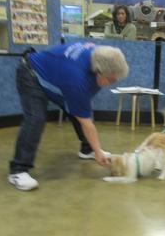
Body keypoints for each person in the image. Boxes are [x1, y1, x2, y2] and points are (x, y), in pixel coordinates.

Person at [8, 42, 129, 190]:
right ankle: (18, 170)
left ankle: (87, 149)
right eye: (111, 79)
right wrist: (98, 151)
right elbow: (85, 121)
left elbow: (82, 107)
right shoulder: (76, 79)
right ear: (98, 71)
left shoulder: (100, 54)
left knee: (80, 108)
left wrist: (93, 145)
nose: (112, 83)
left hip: (56, 74)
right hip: (31, 74)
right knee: (36, 118)